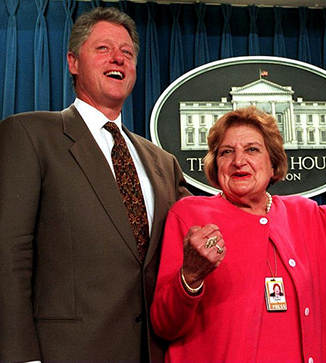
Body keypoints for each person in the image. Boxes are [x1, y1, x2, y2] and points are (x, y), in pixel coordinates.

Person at [0, 7, 189, 362]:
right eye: (103, 48)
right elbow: (9, 255)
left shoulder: (162, 163)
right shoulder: (29, 135)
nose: (118, 57)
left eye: (127, 52)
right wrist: (19, 356)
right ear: (73, 62)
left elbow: (198, 234)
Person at [150, 106, 326, 362]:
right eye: (226, 152)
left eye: (252, 149)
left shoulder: (306, 215)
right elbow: (164, 325)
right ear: (215, 164)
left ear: (273, 161)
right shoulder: (190, 217)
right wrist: (190, 276)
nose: (238, 161)